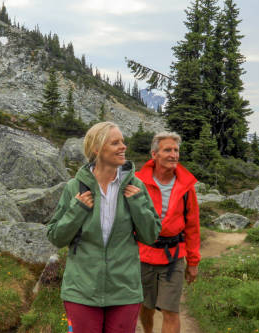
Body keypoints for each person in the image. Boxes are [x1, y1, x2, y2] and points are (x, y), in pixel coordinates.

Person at [47, 121, 161, 333]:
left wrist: (138, 205)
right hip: (81, 291)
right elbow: (56, 236)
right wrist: (77, 209)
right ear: (96, 149)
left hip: (124, 290)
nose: (123, 147)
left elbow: (151, 235)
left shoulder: (136, 187)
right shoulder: (74, 188)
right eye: (115, 142)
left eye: (123, 142)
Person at [136, 131, 201, 333]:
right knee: (145, 307)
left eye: (176, 150)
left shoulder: (186, 186)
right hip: (143, 256)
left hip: (173, 257)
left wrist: (193, 262)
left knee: (170, 311)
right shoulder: (138, 182)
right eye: (167, 150)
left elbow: (192, 226)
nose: (173, 154)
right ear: (154, 155)